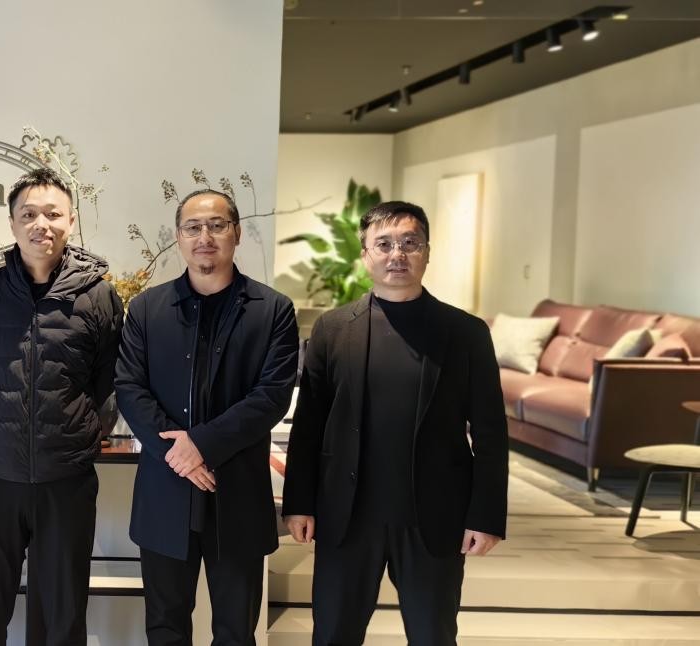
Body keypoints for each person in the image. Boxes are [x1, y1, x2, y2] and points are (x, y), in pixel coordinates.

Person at [281, 200, 508, 646]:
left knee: (433, 635)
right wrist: (298, 503)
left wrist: (486, 516)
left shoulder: (466, 333)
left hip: (434, 516)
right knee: (333, 635)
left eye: (409, 243)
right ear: (365, 254)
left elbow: (490, 432)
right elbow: (308, 426)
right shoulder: (331, 329)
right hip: (348, 516)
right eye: (383, 244)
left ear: (427, 252)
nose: (397, 254)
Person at [115, 189, 299, 644]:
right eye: (193, 227)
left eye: (217, 225)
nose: (205, 237)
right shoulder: (147, 309)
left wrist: (200, 445)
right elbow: (130, 388)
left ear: (236, 233)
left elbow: (271, 396)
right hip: (165, 494)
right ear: (179, 237)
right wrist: (179, 454)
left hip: (238, 495)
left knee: (236, 631)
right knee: (165, 628)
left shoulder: (273, 309)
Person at [0, 168, 123, 645]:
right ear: (12, 223)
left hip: (66, 481)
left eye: (53, 214)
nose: (41, 225)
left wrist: (80, 431)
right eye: (29, 214)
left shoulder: (98, 296)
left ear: (71, 221)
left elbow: (110, 381)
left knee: (62, 616)